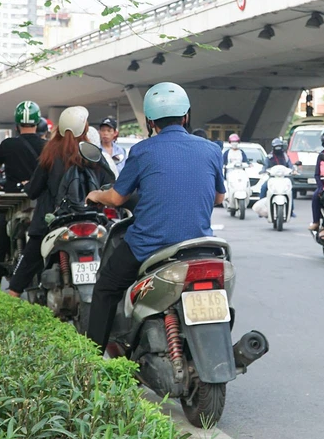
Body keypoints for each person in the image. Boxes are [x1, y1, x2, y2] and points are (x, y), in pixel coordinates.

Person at [85, 82, 225, 354]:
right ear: (186, 116)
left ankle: (91, 358)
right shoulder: (211, 150)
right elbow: (219, 198)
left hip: (150, 246)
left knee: (106, 288)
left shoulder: (142, 151)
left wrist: (95, 196)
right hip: (199, 246)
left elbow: (116, 198)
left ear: (150, 120)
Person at [7, 106, 93, 297]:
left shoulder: (51, 153)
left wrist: (28, 186)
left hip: (51, 219)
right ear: (84, 129)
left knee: (30, 257)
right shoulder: (91, 153)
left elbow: (34, 189)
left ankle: (12, 294)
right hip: (87, 218)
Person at [0, 101, 45, 285]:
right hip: (39, 201)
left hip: (12, 202)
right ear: (37, 122)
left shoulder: (8, 144)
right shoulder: (47, 146)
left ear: (17, 124)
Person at [259, 136, 296, 217]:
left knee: (290, 190)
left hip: (284, 178)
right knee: (263, 187)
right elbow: (265, 165)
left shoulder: (285, 156)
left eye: (279, 146)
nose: (278, 149)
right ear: (273, 147)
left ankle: (291, 210)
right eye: (276, 147)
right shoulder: (269, 157)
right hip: (272, 178)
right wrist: (263, 170)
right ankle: (262, 208)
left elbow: (290, 165)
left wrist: (293, 170)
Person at [308, 129, 324, 231]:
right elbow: (317, 174)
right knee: (316, 197)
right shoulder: (322, 155)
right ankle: (316, 222)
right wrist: (321, 187)